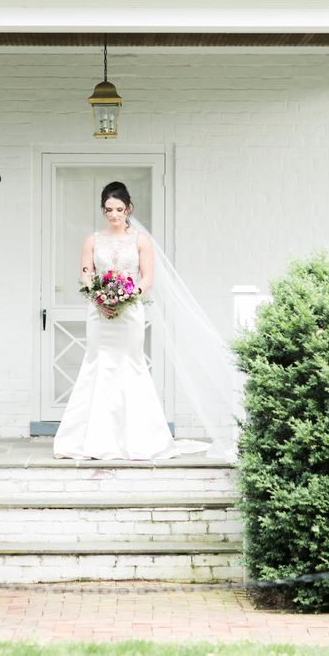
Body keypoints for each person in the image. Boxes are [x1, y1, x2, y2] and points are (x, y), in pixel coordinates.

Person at [53, 181, 209, 460]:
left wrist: (126, 298)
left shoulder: (140, 240)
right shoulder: (92, 240)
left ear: (129, 209)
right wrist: (100, 299)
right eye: (109, 209)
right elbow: (87, 274)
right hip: (99, 315)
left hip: (130, 312)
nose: (114, 215)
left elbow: (147, 277)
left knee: (130, 365)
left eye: (119, 209)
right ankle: (92, 440)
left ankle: (139, 438)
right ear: (103, 210)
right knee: (96, 366)